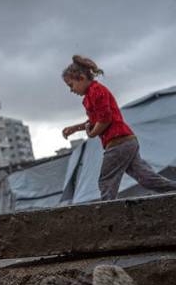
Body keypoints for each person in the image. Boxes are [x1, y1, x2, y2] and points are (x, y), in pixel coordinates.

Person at [61, 55, 176, 201]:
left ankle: (108, 214)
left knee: (106, 180)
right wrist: (75, 128)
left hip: (118, 143)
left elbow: (105, 120)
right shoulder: (90, 96)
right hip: (127, 141)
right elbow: (94, 120)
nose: (71, 90)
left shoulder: (96, 91)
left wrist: (92, 134)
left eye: (71, 85)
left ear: (81, 78)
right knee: (147, 179)